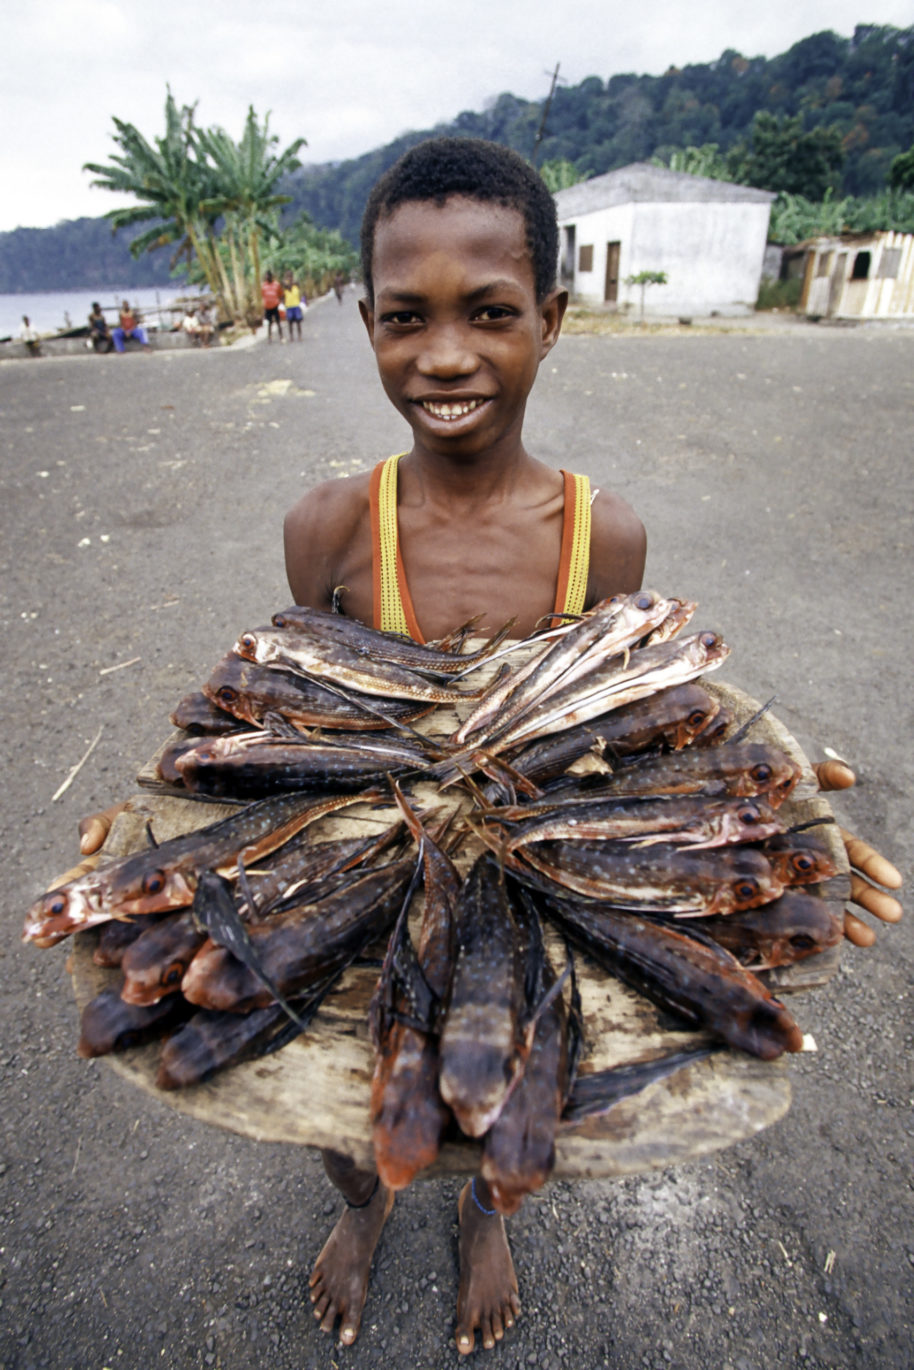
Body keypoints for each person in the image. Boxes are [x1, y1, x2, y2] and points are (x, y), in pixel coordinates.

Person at [68, 138, 903, 1354]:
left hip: (525, 878)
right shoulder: (331, 527)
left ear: (550, 320)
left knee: (509, 1084)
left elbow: (623, 710)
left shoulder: (600, 539)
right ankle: (361, 1204)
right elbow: (285, 704)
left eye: (490, 312)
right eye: (406, 316)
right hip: (357, 862)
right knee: (330, 1098)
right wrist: (148, 828)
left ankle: (480, 1211)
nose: (444, 354)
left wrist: (778, 793)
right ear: (365, 324)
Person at [283, 272, 307, 340]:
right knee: (290, 322)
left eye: (290, 277)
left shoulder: (296, 285)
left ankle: (299, 336)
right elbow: (284, 284)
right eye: (287, 277)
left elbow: (297, 283)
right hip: (289, 306)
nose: (289, 279)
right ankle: (291, 336)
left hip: (296, 305)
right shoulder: (286, 287)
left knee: (298, 322)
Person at [261, 270, 284, 342]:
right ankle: (270, 337)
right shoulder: (264, 285)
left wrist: (281, 303)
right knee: (269, 323)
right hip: (267, 307)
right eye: (266, 276)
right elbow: (263, 296)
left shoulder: (277, 284)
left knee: (278, 322)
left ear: (271, 276)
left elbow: (281, 294)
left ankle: (281, 336)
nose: (267, 277)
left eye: (268, 276)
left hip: (275, 306)